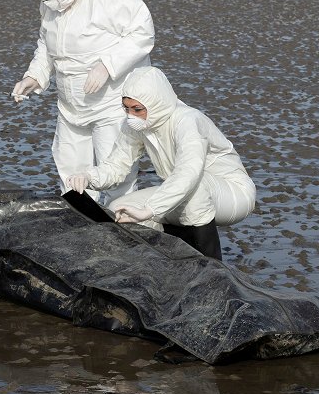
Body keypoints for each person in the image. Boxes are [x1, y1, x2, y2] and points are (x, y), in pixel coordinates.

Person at [66, 66, 256, 260]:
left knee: (193, 191)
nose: (131, 115)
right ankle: (177, 253)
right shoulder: (136, 124)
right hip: (182, 192)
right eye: (127, 108)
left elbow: (188, 172)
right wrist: (89, 176)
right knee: (119, 210)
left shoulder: (188, 120)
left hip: (233, 194)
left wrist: (149, 210)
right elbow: (117, 166)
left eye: (137, 109)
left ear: (155, 103)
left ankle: (213, 268)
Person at [11, 0, 154, 202]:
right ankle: (80, 223)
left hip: (110, 103)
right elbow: (47, 43)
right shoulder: (51, 3)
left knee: (115, 170)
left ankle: (122, 225)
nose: (45, 1)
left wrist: (107, 66)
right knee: (70, 171)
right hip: (70, 106)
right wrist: (35, 75)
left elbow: (142, 32)